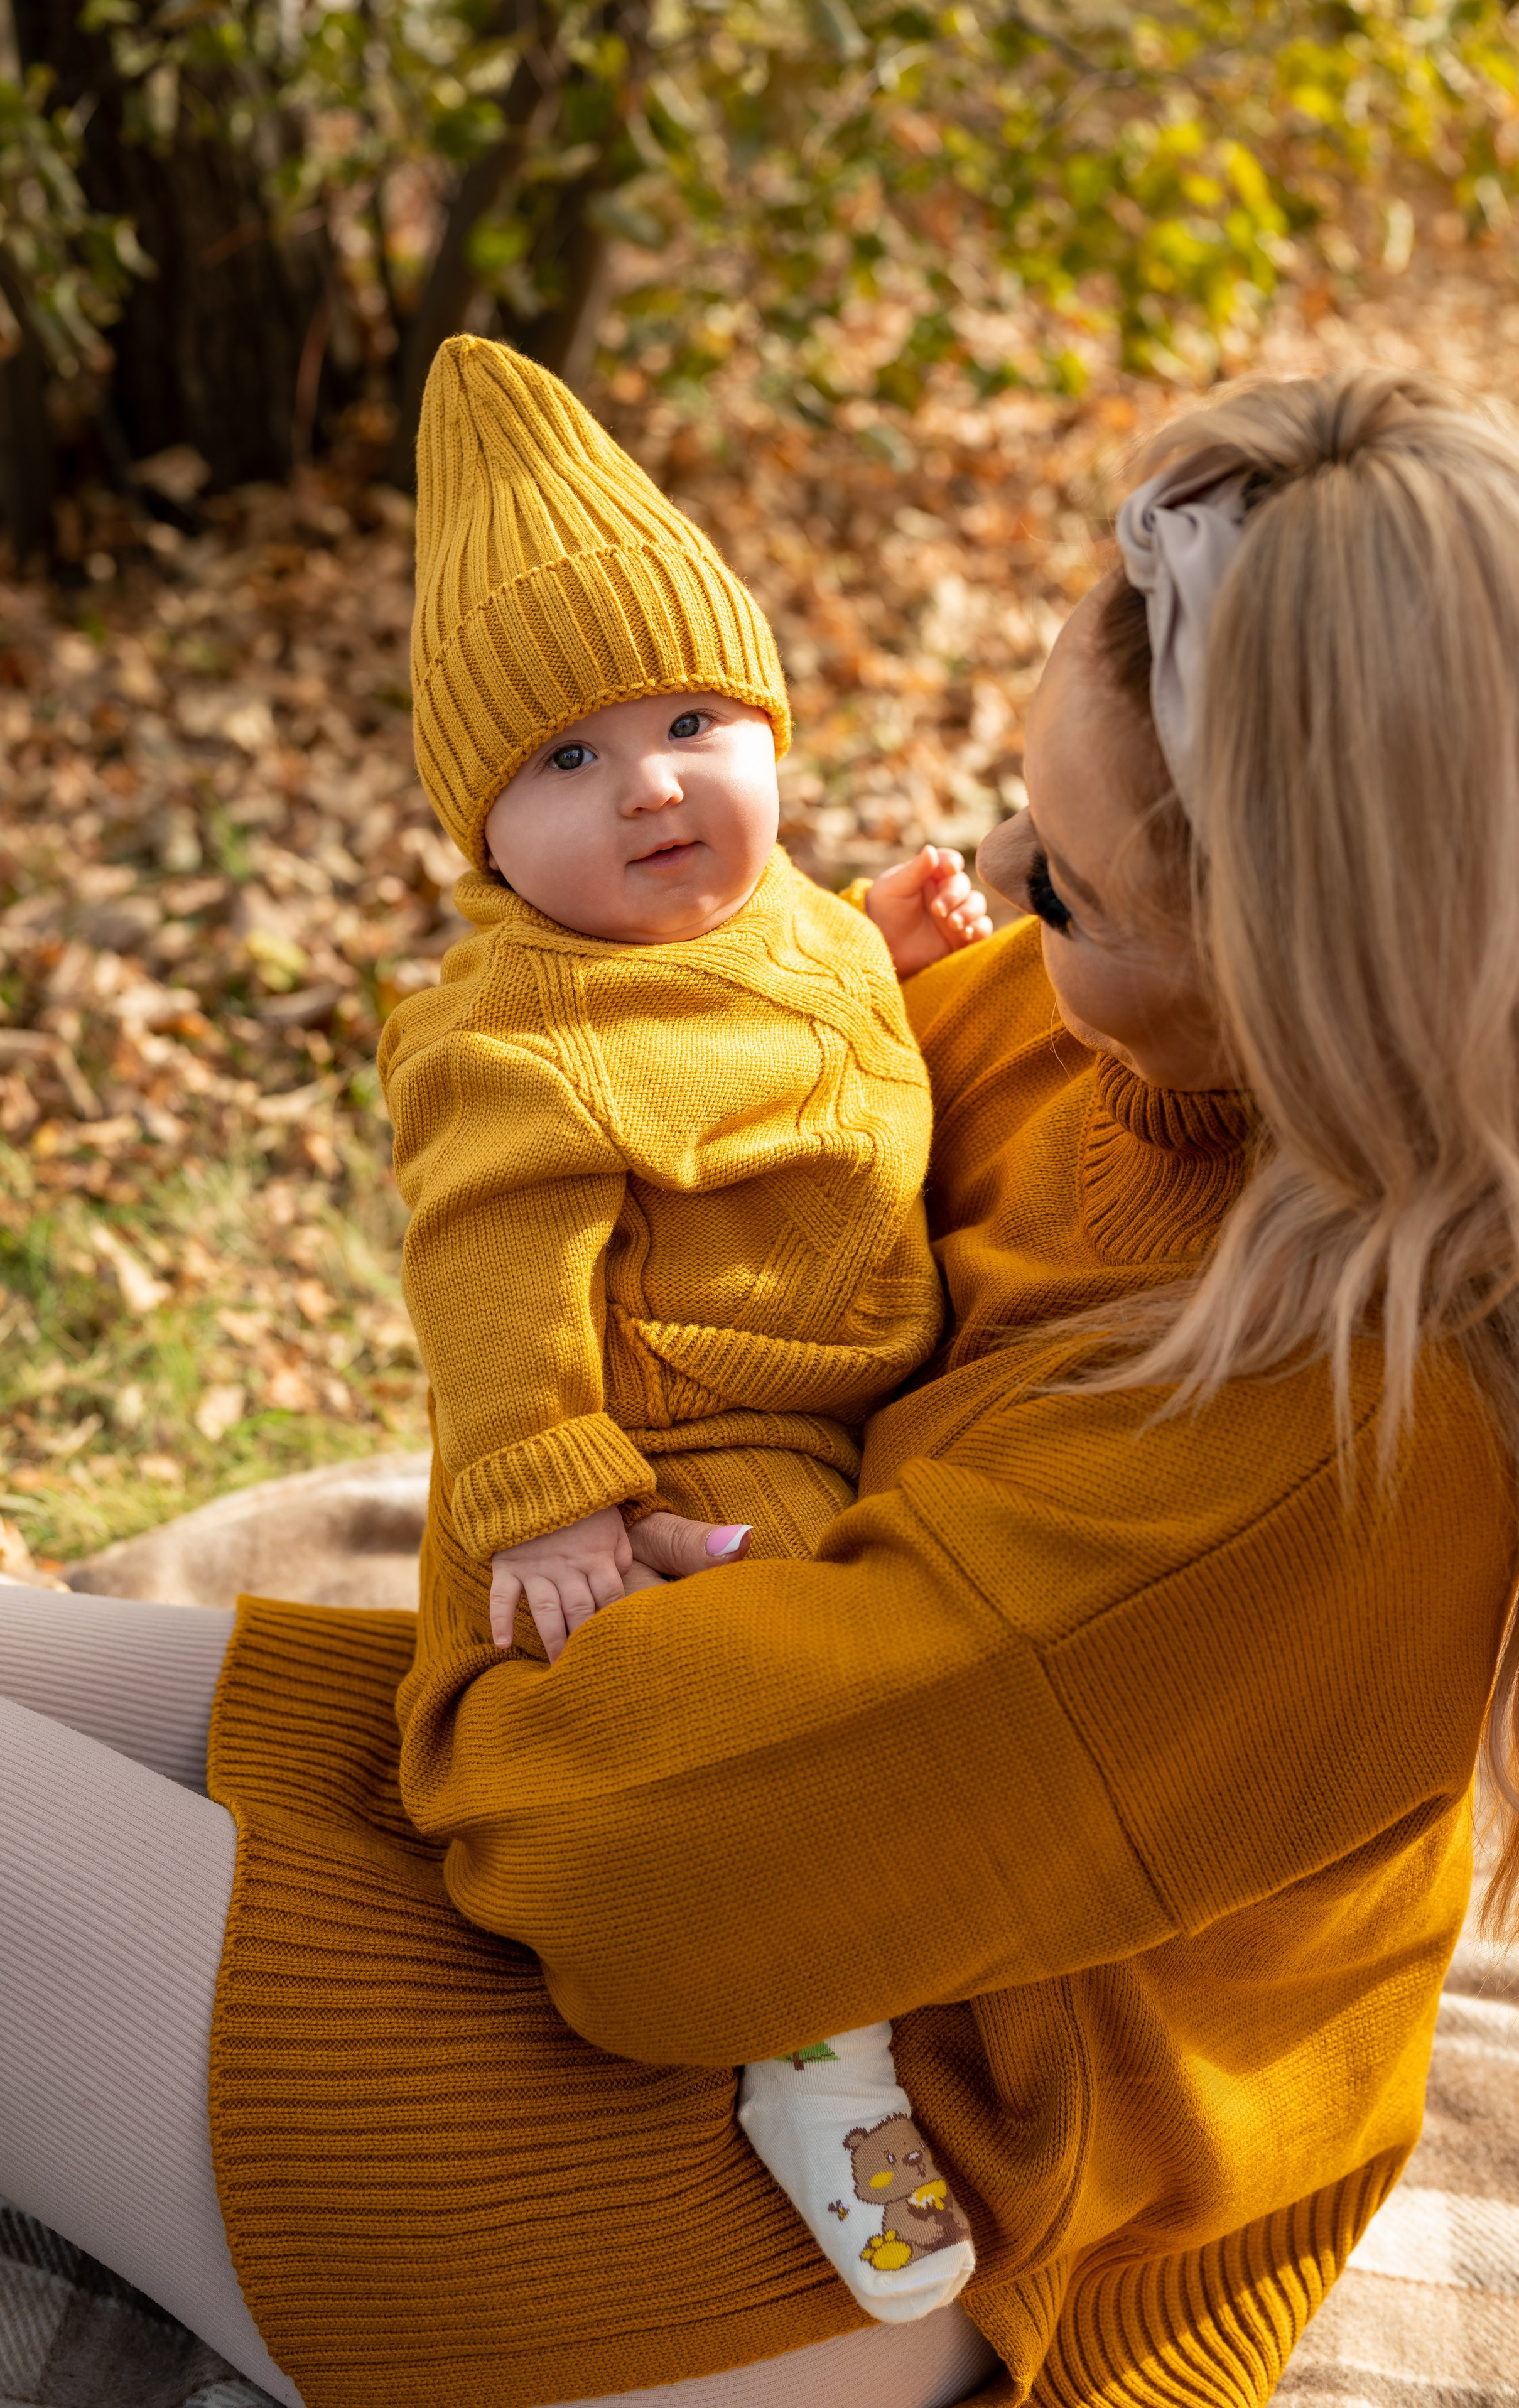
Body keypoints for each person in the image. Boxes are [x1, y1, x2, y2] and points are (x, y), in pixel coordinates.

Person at [0, 362, 1518, 2408]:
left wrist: (535, 1510)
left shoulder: (1317, 1462)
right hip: (764, 1846)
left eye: (1067, 887)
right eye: (1022, 805)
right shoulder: (1143, 1055)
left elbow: (613, 1880)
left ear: (1303, 966)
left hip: (881, 2207)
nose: (996, 877)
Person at [379, 335, 993, 2324]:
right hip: (666, 1450)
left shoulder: (784, 917)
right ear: (484, 837)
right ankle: (821, 2066)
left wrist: (891, 957)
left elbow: (801, 1047)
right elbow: (487, 1270)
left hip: (840, 1395)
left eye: (693, 719)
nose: (649, 781)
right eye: (565, 760)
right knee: (793, 1699)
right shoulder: (525, 1033)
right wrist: (550, 1490)